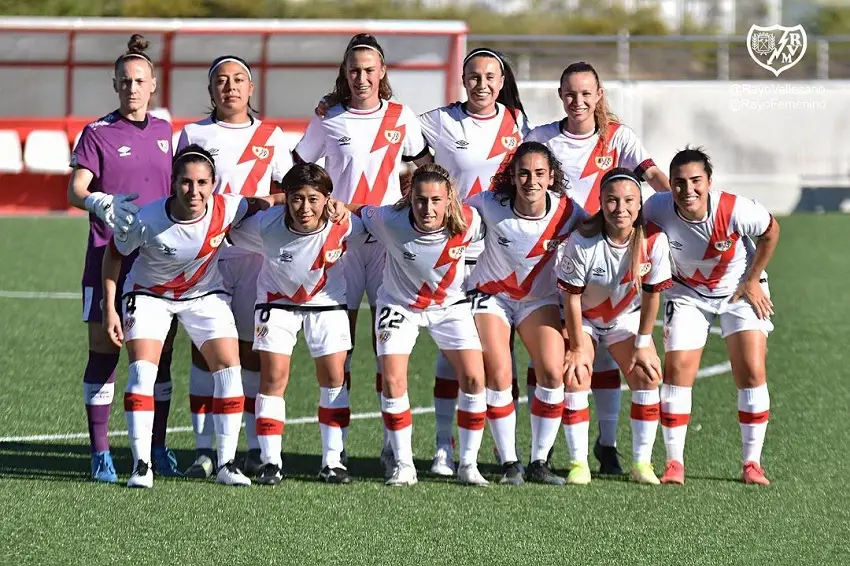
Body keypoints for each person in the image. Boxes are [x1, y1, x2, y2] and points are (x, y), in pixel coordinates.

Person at [101, 145, 284, 488]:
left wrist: (290, 201)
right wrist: (110, 307)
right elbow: (112, 258)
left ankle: (226, 465)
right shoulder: (147, 218)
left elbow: (263, 202)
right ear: (173, 183)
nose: (194, 191)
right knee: (143, 372)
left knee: (230, 371)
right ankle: (141, 466)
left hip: (204, 296)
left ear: (214, 183)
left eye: (202, 182)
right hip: (148, 295)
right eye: (186, 182)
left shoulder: (229, 206)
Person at [293, 33, 429, 476]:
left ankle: (395, 451)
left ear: (383, 72)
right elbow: (298, 172)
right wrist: (316, 205)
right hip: (340, 246)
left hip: (388, 247)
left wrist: (412, 202)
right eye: (354, 70)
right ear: (344, 74)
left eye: (370, 70)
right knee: (339, 350)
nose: (362, 77)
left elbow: (423, 168)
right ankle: (335, 455)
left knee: (386, 349)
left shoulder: (401, 116)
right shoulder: (328, 118)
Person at [526, 60, 671, 474]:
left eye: (586, 93)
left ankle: (607, 448)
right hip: (554, 256)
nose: (578, 101)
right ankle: (549, 446)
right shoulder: (541, 138)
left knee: (610, 364)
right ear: (560, 95)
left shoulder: (617, 137)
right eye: (570, 93)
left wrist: (677, 209)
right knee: (550, 360)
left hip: (615, 251)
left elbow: (652, 174)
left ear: (599, 94)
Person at [66, 33, 180, 482]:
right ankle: (100, 453)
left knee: (161, 355)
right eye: (124, 81)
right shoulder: (97, 133)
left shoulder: (166, 132)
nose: (132, 87)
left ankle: (157, 446)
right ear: (115, 85)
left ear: (152, 85)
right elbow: (76, 189)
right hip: (105, 256)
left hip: (155, 262)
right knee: (104, 350)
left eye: (140, 80)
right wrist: (99, 202)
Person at [177, 54, 293, 478]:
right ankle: (204, 449)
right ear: (211, 90)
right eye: (221, 81)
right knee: (204, 350)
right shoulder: (193, 133)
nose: (230, 87)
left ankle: (245, 446)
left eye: (238, 79)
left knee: (249, 351)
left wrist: (257, 204)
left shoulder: (272, 135)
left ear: (251, 89)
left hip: (255, 256)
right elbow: (180, 190)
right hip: (205, 256)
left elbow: (292, 191)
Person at [417, 47, 531, 477]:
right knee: (453, 354)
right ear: (462, 80)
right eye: (473, 77)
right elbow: (387, 133)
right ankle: (444, 447)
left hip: (501, 254)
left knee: (503, 355)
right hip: (454, 253)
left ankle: (507, 452)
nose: (481, 84)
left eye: (490, 77)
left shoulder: (519, 123)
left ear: (502, 82)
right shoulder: (439, 120)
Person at [643, 147, 779, 485]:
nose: (687, 190)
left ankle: (752, 464)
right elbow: (639, 241)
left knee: (751, 368)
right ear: (669, 185)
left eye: (695, 181)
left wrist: (753, 279)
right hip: (688, 294)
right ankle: (674, 463)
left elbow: (771, 231)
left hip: (739, 289)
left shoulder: (735, 208)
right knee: (676, 372)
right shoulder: (656, 208)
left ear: (709, 182)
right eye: (678, 182)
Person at [350, 164, 488, 486]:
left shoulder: (469, 222)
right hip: (399, 306)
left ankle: (468, 465)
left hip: (449, 306)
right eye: (421, 200)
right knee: (393, 379)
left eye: (436, 200)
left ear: (448, 199)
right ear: (409, 198)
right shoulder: (390, 220)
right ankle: (404, 465)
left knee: (473, 376)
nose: (428, 208)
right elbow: (358, 212)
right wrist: (336, 208)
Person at [227, 163, 359, 486]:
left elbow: (374, 217)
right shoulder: (267, 224)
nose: (305, 208)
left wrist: (348, 208)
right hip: (277, 304)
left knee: (333, 378)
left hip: (327, 305)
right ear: (286, 197)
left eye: (314, 199)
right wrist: (268, 201)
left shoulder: (344, 224)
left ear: (328, 199)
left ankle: (332, 460)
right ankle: (271, 461)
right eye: (296, 198)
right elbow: (230, 228)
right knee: (273, 378)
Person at [467, 141, 587, 486]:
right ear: (512, 176)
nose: (530, 181)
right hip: (492, 298)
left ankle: (539, 461)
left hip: (539, 301)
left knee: (552, 371)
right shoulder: (488, 204)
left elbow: (601, 232)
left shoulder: (569, 212)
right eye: (523, 173)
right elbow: (451, 215)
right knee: (500, 373)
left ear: (551, 177)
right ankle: (509, 463)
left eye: (538, 173)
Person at [558, 168, 672, 485]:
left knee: (649, 373)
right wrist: (578, 348)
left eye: (628, 201)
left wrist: (643, 344)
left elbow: (652, 298)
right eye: (612, 201)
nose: (620, 209)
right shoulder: (583, 241)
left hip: (625, 318)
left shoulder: (654, 240)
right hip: (585, 319)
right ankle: (578, 463)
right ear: (601, 202)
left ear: (639, 204)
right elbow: (571, 299)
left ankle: (641, 463)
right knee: (577, 373)